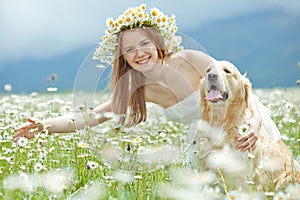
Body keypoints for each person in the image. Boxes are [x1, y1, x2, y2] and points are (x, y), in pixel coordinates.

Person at [14, 4, 279, 165]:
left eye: (144, 44)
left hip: (244, 125)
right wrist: (42, 128)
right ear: (124, 58)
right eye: (130, 50)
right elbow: (90, 117)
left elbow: (241, 89)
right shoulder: (135, 88)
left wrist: (254, 125)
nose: (139, 53)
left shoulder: (191, 59)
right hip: (204, 141)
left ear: (156, 44)